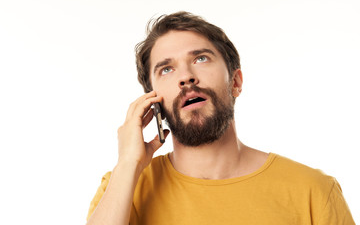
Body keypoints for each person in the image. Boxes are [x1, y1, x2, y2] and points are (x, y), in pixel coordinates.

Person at [86, 11, 355, 225]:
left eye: (201, 58)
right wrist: (128, 164)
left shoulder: (314, 191)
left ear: (235, 82)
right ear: (152, 101)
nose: (186, 77)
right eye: (166, 69)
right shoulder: (122, 187)